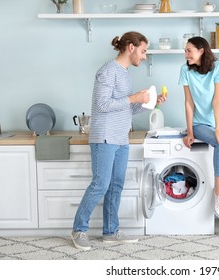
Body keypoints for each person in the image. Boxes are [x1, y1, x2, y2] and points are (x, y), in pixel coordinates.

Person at [71, 31, 166, 251]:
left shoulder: (124, 74)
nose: (144, 57)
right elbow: (103, 105)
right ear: (131, 47)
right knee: (100, 184)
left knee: (116, 185)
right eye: (143, 51)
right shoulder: (107, 71)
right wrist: (134, 97)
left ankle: (111, 231)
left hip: (121, 136)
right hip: (104, 136)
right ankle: (79, 230)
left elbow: (126, 108)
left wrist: (151, 102)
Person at [178, 36, 219, 244]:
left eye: (189, 50)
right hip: (200, 124)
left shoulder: (217, 67)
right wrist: (190, 132)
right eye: (185, 51)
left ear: (202, 50)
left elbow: (217, 99)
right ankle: (218, 191)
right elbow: (188, 103)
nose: (186, 55)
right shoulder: (185, 70)